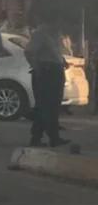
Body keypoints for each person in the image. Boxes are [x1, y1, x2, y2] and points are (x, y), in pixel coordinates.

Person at [25, 16, 69, 148]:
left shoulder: (56, 34)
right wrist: (36, 67)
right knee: (44, 106)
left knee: (54, 106)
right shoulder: (40, 33)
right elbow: (28, 52)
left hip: (56, 70)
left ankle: (53, 137)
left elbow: (55, 51)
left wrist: (62, 60)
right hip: (46, 71)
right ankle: (38, 137)